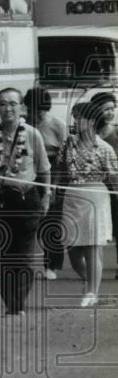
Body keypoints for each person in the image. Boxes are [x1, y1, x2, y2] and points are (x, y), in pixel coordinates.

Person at [0, 88, 51, 316]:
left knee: (25, 256)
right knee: (4, 254)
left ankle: (17, 304)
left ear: (21, 107)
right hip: (1, 198)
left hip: (27, 197)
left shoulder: (32, 134)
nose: (8, 108)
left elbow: (44, 169)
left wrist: (46, 195)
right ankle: (9, 302)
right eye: (2, 104)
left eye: (12, 104)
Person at [58, 102, 118, 307]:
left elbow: (114, 179)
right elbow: (60, 170)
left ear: (92, 120)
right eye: (75, 117)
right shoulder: (68, 143)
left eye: (80, 117)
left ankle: (92, 291)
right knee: (73, 250)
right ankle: (90, 280)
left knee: (93, 247)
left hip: (95, 196)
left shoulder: (105, 148)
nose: (76, 121)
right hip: (72, 196)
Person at [24, 87, 68, 280]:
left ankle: (52, 264)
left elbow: (65, 156)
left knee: (52, 220)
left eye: (42, 108)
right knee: (33, 220)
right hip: (31, 174)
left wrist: (56, 184)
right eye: (34, 109)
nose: (38, 113)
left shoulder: (57, 124)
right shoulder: (23, 124)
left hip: (54, 173)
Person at [87, 92, 118, 278]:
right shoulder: (85, 136)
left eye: (112, 108)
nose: (109, 112)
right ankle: (91, 268)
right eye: (105, 108)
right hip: (92, 190)